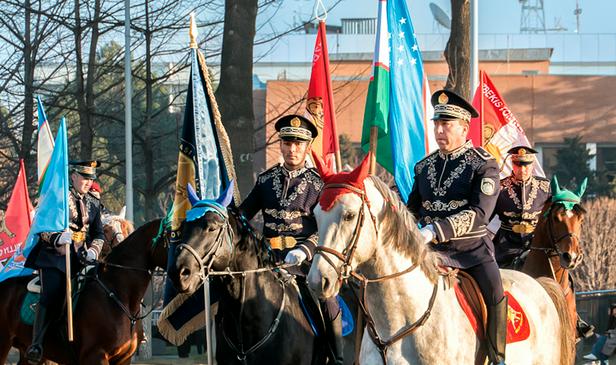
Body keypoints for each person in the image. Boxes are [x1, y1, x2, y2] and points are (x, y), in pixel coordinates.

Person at [406, 90, 506, 365]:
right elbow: (411, 208)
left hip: (471, 252)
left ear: (464, 127)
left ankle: (498, 356)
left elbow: (480, 214)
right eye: (437, 124)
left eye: (446, 124)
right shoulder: (423, 167)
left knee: (496, 291)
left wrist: (436, 230)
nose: (439, 130)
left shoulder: (483, 164)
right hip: (429, 253)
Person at [239, 114, 343, 365]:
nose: (292, 149)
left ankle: (336, 354)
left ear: (307, 147)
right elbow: (242, 217)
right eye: (287, 143)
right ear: (281, 145)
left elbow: (327, 228)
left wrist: (305, 250)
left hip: (305, 261)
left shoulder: (319, 184)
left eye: (298, 144)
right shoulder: (265, 180)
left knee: (325, 297)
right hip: (267, 260)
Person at [25, 160, 105, 364]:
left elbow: (98, 233)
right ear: (73, 176)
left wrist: (94, 251)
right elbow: (42, 227)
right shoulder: (57, 199)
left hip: (80, 256)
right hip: (54, 256)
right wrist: (57, 238)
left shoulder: (94, 203)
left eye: (91, 179)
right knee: (52, 292)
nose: (88, 183)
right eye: (85, 178)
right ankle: (37, 343)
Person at [490, 146, 550, 269]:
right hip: (506, 247)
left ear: (532, 165)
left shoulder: (545, 187)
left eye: (526, 165)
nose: (522, 170)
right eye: (518, 165)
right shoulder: (500, 188)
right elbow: (484, 217)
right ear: (512, 164)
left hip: (537, 244)